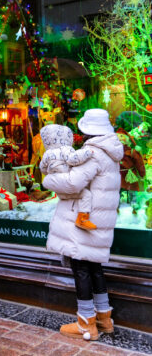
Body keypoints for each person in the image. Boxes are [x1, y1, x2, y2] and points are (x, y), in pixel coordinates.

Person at [42, 109, 123, 341]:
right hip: (99, 220)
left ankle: (86, 324)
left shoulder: (94, 153)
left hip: (84, 221)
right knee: (94, 267)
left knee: (81, 269)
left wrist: (47, 179)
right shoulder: (112, 150)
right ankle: (104, 319)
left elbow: (72, 183)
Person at [39, 124, 96, 231]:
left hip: (57, 187)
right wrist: (86, 153)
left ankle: (71, 217)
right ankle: (82, 219)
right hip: (66, 181)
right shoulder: (65, 148)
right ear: (67, 137)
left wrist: (51, 175)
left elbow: (42, 168)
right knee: (86, 195)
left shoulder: (47, 153)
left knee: (68, 198)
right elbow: (73, 159)